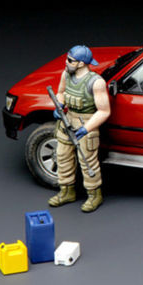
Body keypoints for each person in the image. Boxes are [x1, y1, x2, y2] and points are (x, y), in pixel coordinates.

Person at [48, 45, 110, 212]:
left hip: (86, 122)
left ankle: (94, 195)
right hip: (67, 120)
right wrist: (59, 105)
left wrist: (86, 128)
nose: (66, 62)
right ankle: (66, 191)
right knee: (62, 157)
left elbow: (104, 111)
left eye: (70, 60)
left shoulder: (96, 82)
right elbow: (61, 92)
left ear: (81, 63)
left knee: (88, 161)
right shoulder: (66, 74)